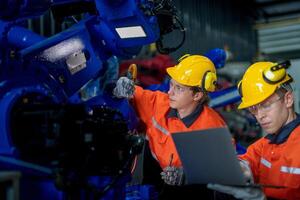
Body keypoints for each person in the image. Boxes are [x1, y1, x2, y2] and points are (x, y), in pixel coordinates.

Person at [113, 54, 227, 199]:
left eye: (178, 88)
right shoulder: (159, 103)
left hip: (191, 189)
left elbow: (223, 171)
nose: (169, 92)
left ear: (197, 95)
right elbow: (132, 93)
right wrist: (122, 86)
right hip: (155, 176)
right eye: (171, 84)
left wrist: (187, 176)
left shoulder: (212, 126)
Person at [208, 61, 300, 200]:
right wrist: (237, 169)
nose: (260, 116)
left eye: (265, 105)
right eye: (254, 109)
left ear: (288, 99)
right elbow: (245, 162)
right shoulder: (264, 146)